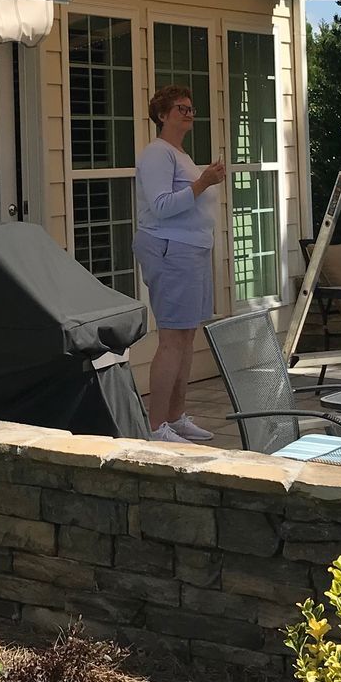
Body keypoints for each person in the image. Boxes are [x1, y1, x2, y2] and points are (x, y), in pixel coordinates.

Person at [133, 85, 224, 443]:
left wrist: (203, 181)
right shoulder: (157, 154)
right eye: (180, 109)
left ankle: (176, 416)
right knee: (172, 337)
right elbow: (162, 206)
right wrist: (203, 182)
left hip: (193, 249)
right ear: (162, 115)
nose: (188, 113)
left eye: (190, 108)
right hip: (171, 249)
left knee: (187, 336)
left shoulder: (179, 154)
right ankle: (156, 427)